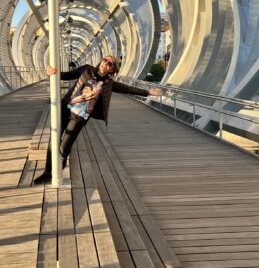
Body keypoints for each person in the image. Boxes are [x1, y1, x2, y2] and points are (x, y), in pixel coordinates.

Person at [34, 55, 163, 184]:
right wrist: (50, 72)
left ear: (112, 70)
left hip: (80, 116)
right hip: (66, 108)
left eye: (110, 63)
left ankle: (59, 166)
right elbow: (67, 75)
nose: (105, 63)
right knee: (53, 141)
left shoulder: (108, 84)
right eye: (105, 60)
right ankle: (47, 173)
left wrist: (148, 93)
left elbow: (128, 89)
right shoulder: (86, 70)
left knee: (64, 148)